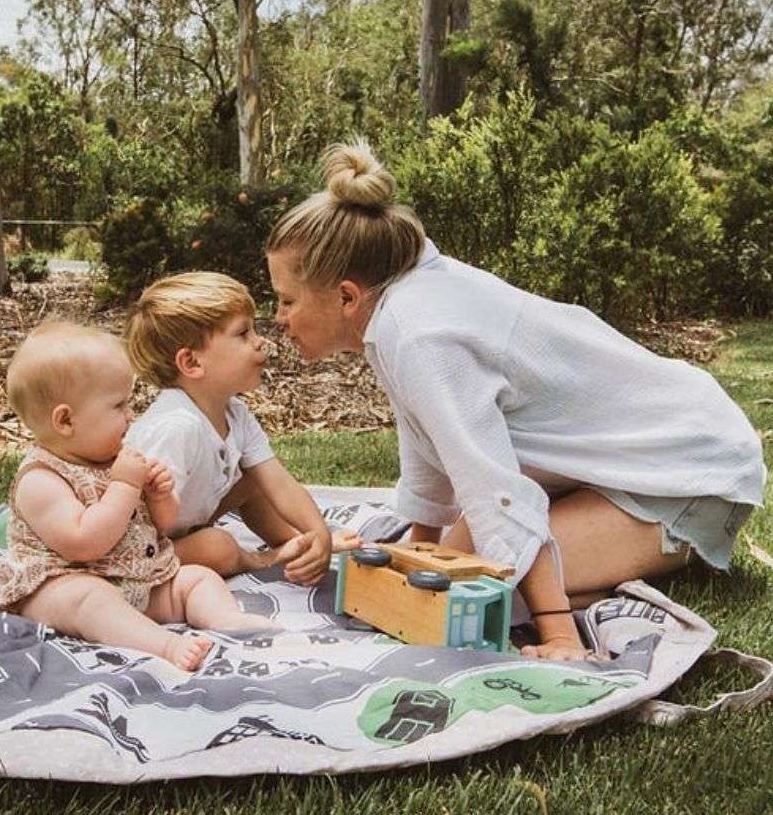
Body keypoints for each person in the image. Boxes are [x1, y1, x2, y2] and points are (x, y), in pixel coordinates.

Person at [265, 140, 766, 661]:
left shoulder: (420, 334)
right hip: (619, 458)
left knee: (482, 591)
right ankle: (594, 569)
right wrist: (422, 549)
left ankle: (610, 580)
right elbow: (426, 445)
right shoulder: (398, 306)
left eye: (286, 300)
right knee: (439, 582)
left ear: (347, 295)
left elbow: (493, 489)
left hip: (689, 472)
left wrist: (557, 635)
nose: (279, 318)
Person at [0, 320, 275, 672]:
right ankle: (164, 644)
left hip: (135, 579)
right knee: (89, 599)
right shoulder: (41, 479)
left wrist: (160, 496)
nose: (131, 416)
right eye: (118, 406)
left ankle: (226, 619)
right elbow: (84, 544)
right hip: (63, 584)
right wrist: (124, 487)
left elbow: (161, 528)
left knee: (196, 578)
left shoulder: (118, 459)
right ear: (65, 421)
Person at [125, 271, 357, 586]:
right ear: (191, 363)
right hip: (140, 549)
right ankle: (262, 559)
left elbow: (278, 482)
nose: (260, 341)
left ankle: (297, 542)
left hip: (186, 527)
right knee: (218, 545)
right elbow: (136, 526)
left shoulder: (236, 413)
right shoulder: (177, 427)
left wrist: (318, 532)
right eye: (243, 333)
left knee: (254, 481)